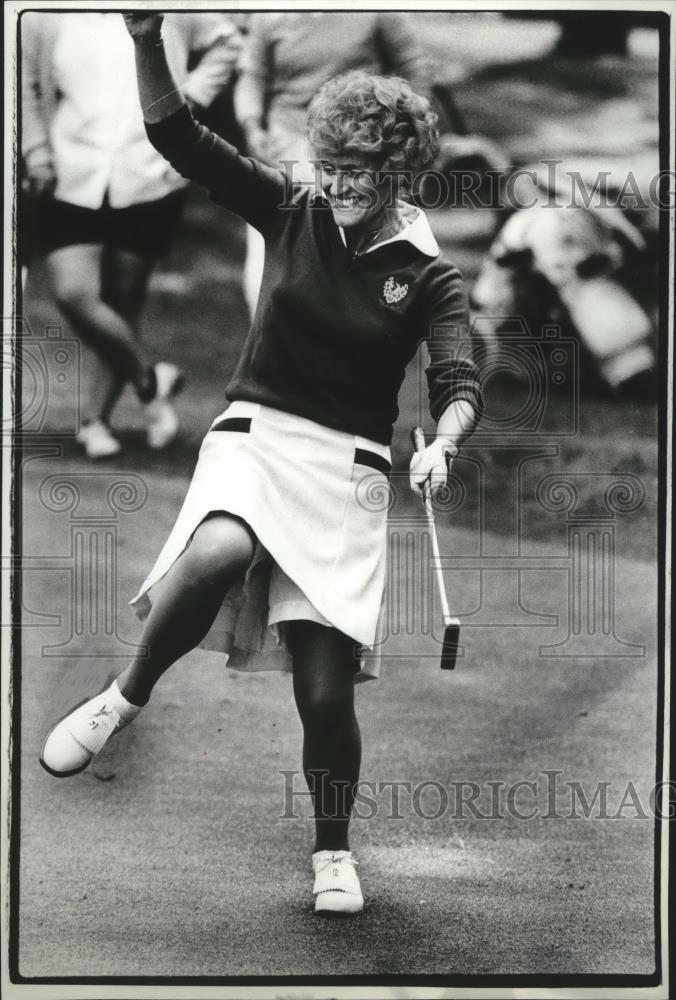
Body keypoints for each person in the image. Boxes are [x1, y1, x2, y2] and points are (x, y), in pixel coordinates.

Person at [40, 12, 484, 916]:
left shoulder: (429, 272)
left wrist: (444, 439)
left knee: (326, 695)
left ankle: (332, 853)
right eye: (331, 166)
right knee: (218, 552)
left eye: (358, 173)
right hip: (257, 436)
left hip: (349, 469)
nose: (339, 184)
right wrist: (144, 39)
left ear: (398, 174)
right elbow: (176, 135)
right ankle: (123, 699)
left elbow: (456, 374)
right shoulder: (290, 204)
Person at [22, 11, 242, 457]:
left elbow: (228, 44)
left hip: (149, 171)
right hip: (72, 168)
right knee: (73, 292)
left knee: (125, 299)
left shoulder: (176, 9)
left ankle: (96, 422)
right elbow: (24, 82)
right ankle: (150, 381)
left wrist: (188, 101)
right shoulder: (47, 15)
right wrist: (35, 149)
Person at [234, 11, 428, 320]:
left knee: (347, 265)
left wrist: (405, 139)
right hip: (285, 147)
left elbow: (412, 67)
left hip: (358, 153)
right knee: (267, 266)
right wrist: (252, 125)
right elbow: (253, 76)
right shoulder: (268, 12)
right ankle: (272, 341)